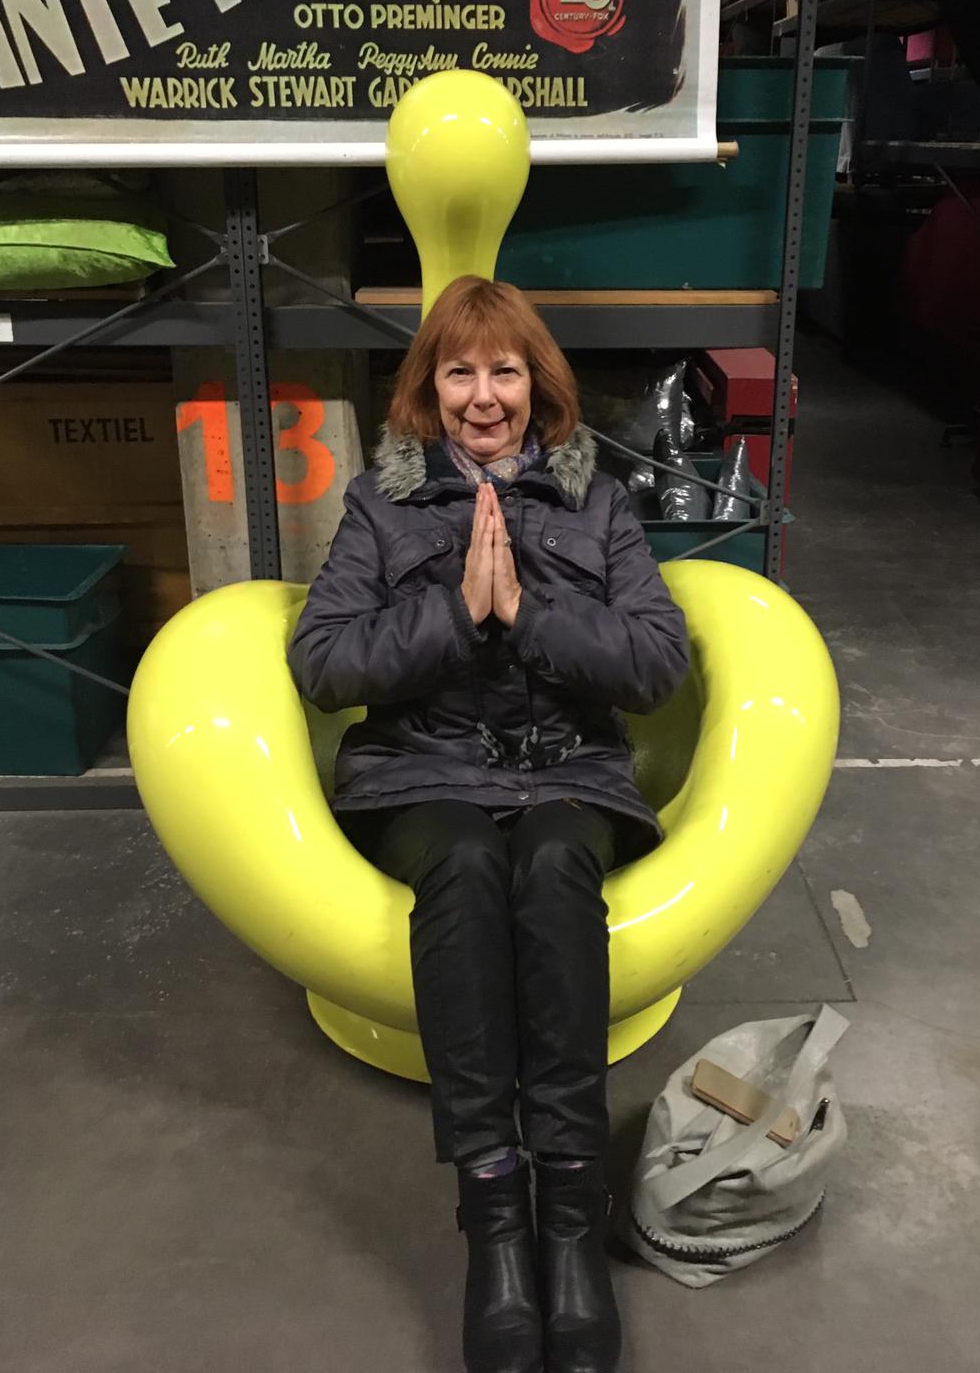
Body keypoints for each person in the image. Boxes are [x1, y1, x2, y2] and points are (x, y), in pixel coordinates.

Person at [287, 276, 689, 1373]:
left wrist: (527, 609)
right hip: (424, 774)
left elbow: (658, 662)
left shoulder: (598, 503)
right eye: (458, 372)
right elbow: (324, 661)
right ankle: (495, 1214)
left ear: (536, 384)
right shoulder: (381, 506)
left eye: (503, 371)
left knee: (555, 863)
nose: (482, 397)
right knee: (464, 867)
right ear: (427, 391)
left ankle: (571, 1210)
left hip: (571, 774)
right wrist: (457, 612)